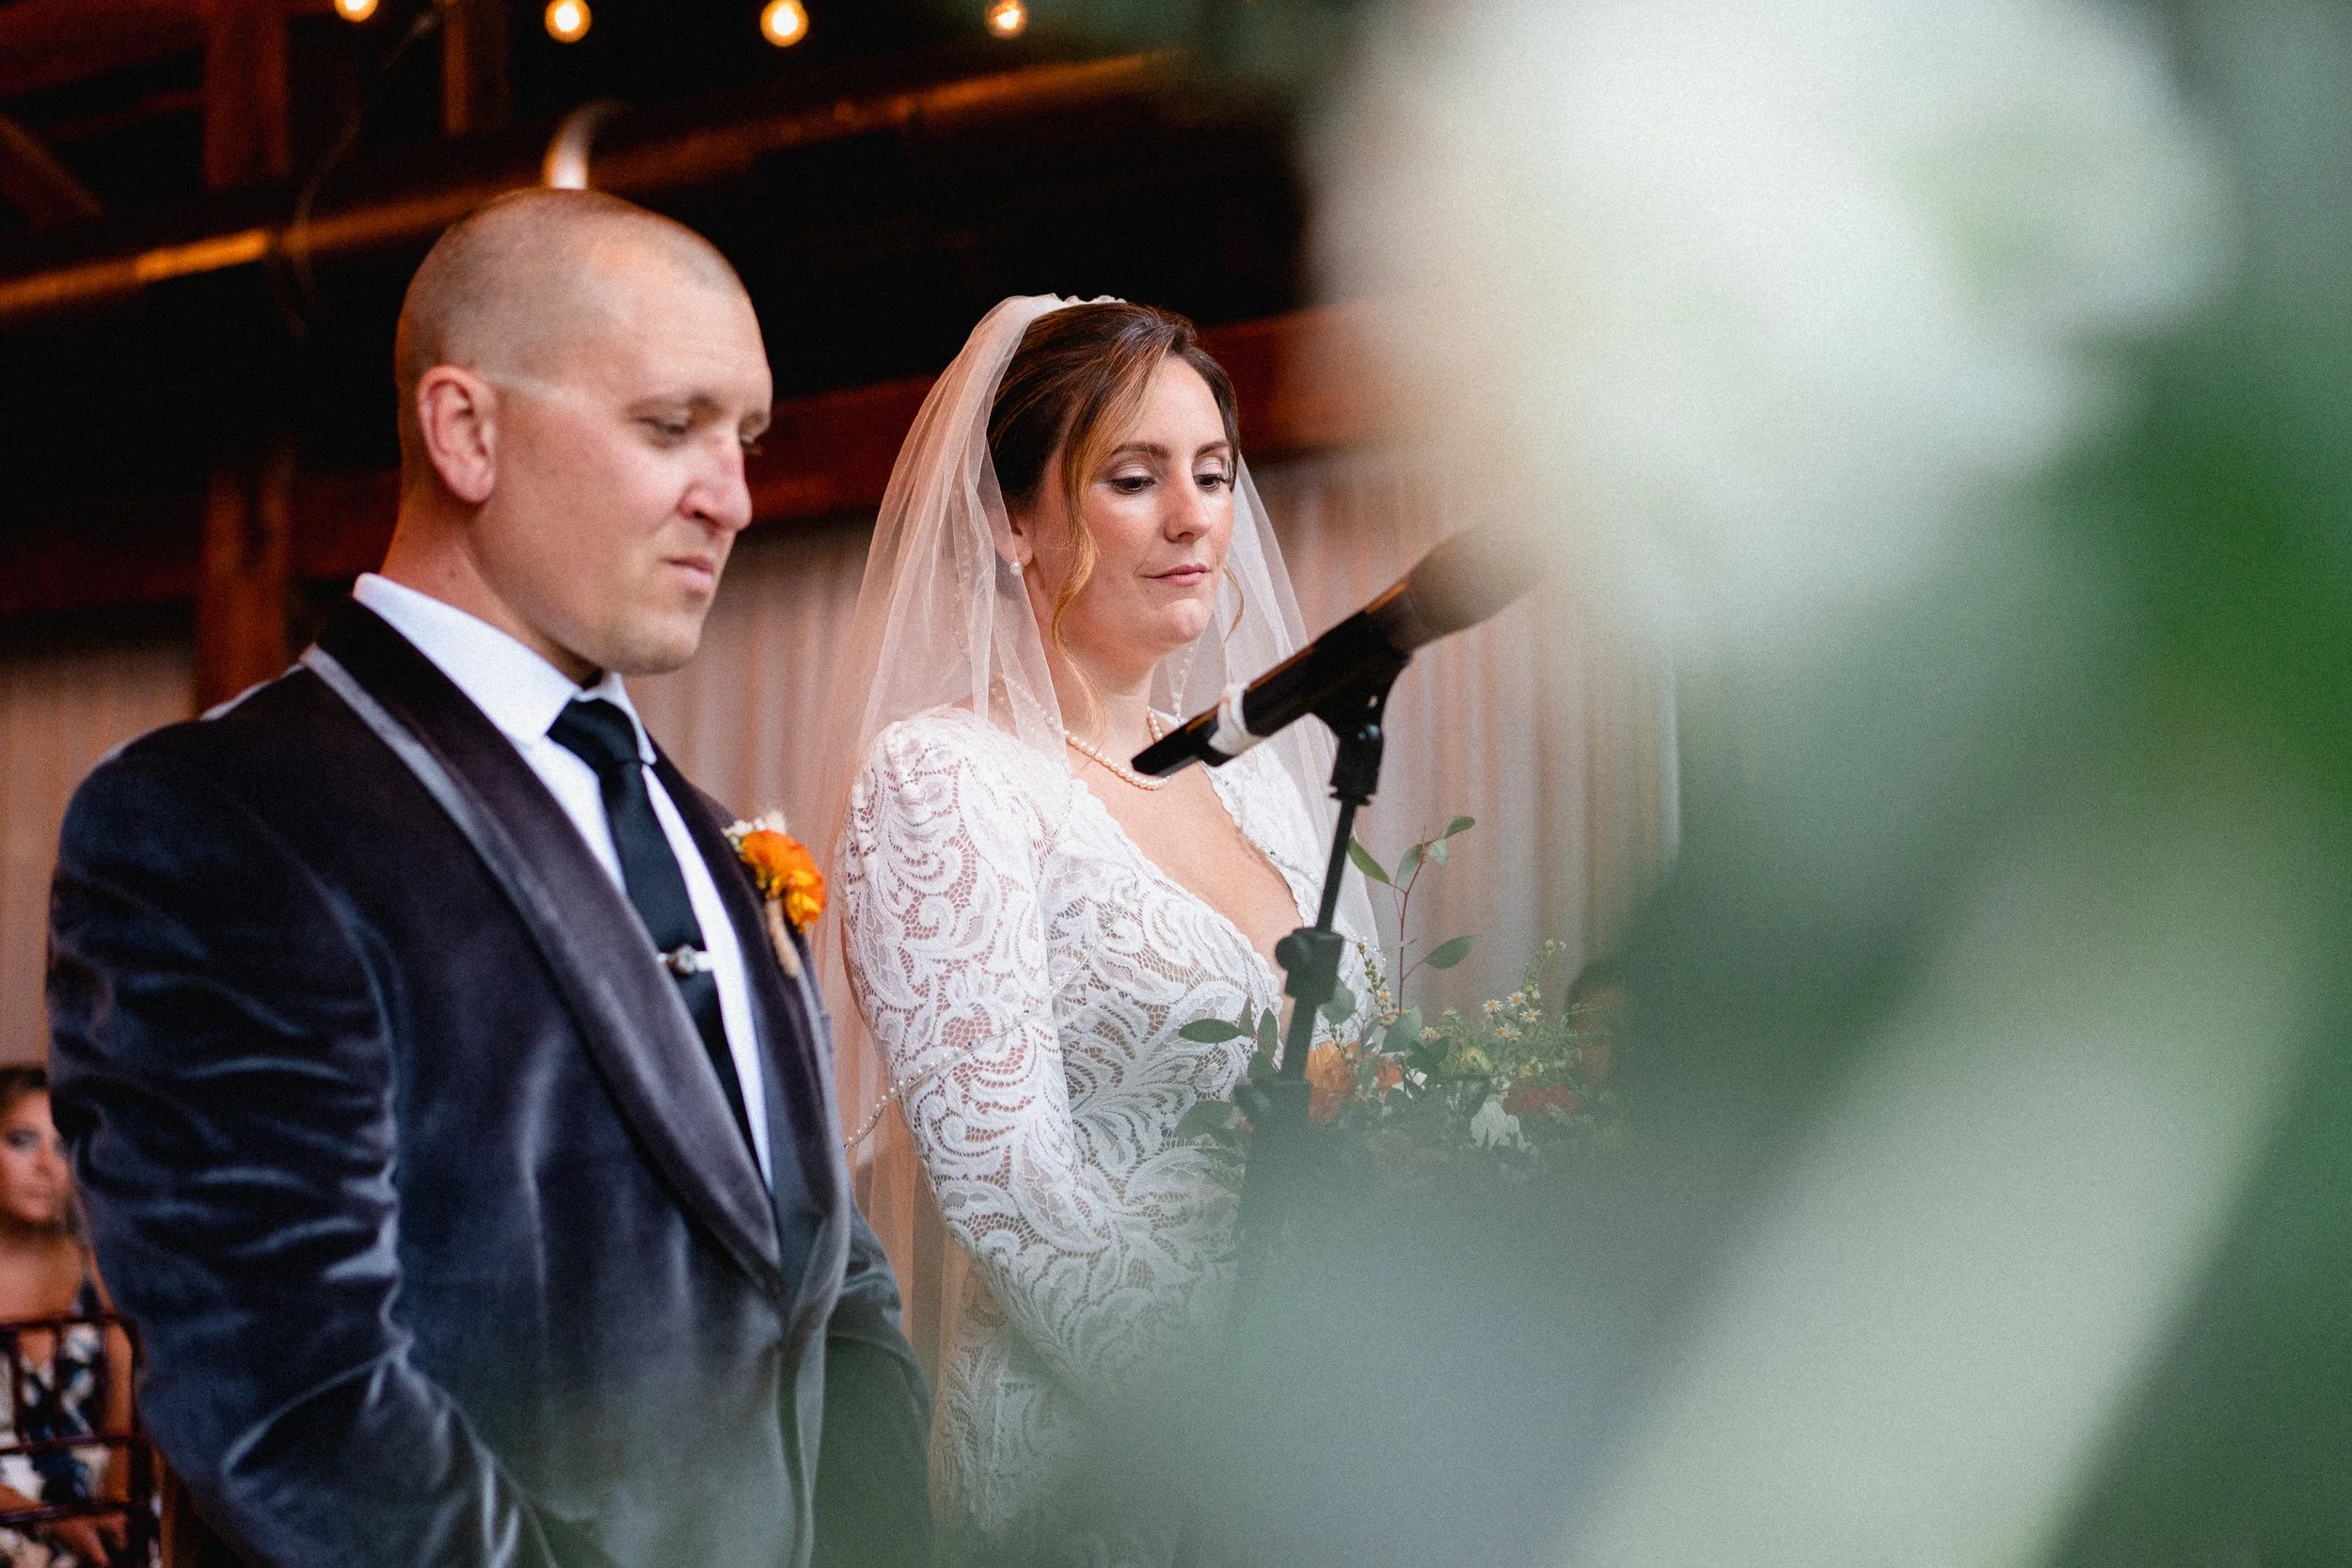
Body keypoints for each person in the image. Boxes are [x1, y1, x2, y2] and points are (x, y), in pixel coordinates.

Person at [46, 189, 928, 1568]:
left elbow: (824, 1280)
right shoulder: (224, 816)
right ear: (467, 429)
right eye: (669, 425)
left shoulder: (696, 828)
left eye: (745, 439)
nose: (734, 496)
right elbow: (299, 1403)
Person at [823, 297, 1374, 1564]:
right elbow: (1010, 1187)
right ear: (1012, 519)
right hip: (1102, 1463)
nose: (1195, 517)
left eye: (1213, 473)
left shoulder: (1259, 783)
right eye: (1134, 478)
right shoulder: (948, 779)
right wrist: (1229, 1423)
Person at [0, 1069, 132, 1568]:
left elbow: (130, 1405)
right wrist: (51, 1519)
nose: (45, 1165)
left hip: (100, 1502)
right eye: (21, 1140)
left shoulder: (97, 1271)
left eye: (61, 1146)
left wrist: (118, 1502)